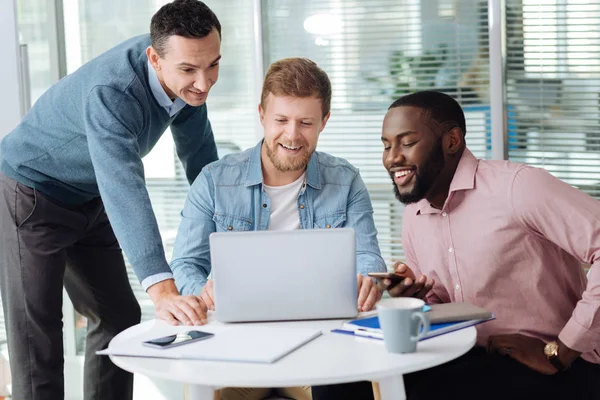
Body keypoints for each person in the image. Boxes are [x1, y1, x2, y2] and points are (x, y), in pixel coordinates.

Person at [313, 90, 600, 400]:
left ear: (452, 141)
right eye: (386, 146)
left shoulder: (517, 188)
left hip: (559, 364)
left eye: (407, 143)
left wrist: (561, 350)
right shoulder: (415, 215)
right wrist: (419, 301)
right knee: (337, 376)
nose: (392, 158)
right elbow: (450, 304)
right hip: (470, 354)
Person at [0, 1, 222, 399]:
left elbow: (200, 156)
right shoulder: (114, 90)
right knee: (39, 337)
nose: (203, 83)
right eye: (189, 70)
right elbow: (124, 186)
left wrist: (227, 227)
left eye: (213, 65)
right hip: (31, 194)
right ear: (155, 58)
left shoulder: (186, 79)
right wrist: (163, 288)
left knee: (118, 315)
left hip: (88, 193)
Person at [170, 57, 387, 400]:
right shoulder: (214, 180)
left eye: (305, 122)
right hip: (238, 345)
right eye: (281, 120)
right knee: (203, 388)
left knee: (351, 388)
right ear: (261, 116)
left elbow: (368, 258)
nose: (292, 134)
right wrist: (203, 291)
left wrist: (367, 281)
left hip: (318, 345)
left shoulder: (346, 181)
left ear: (323, 122)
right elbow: (185, 264)